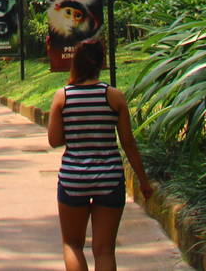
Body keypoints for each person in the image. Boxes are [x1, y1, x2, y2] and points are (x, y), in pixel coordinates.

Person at [47, 39, 155, 271]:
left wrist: (75, 130)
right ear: (102, 63)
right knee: (105, 250)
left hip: (73, 179)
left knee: (72, 244)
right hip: (109, 178)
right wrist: (144, 182)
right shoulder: (114, 96)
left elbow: (54, 140)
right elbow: (128, 143)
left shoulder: (63, 96)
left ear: (75, 62)